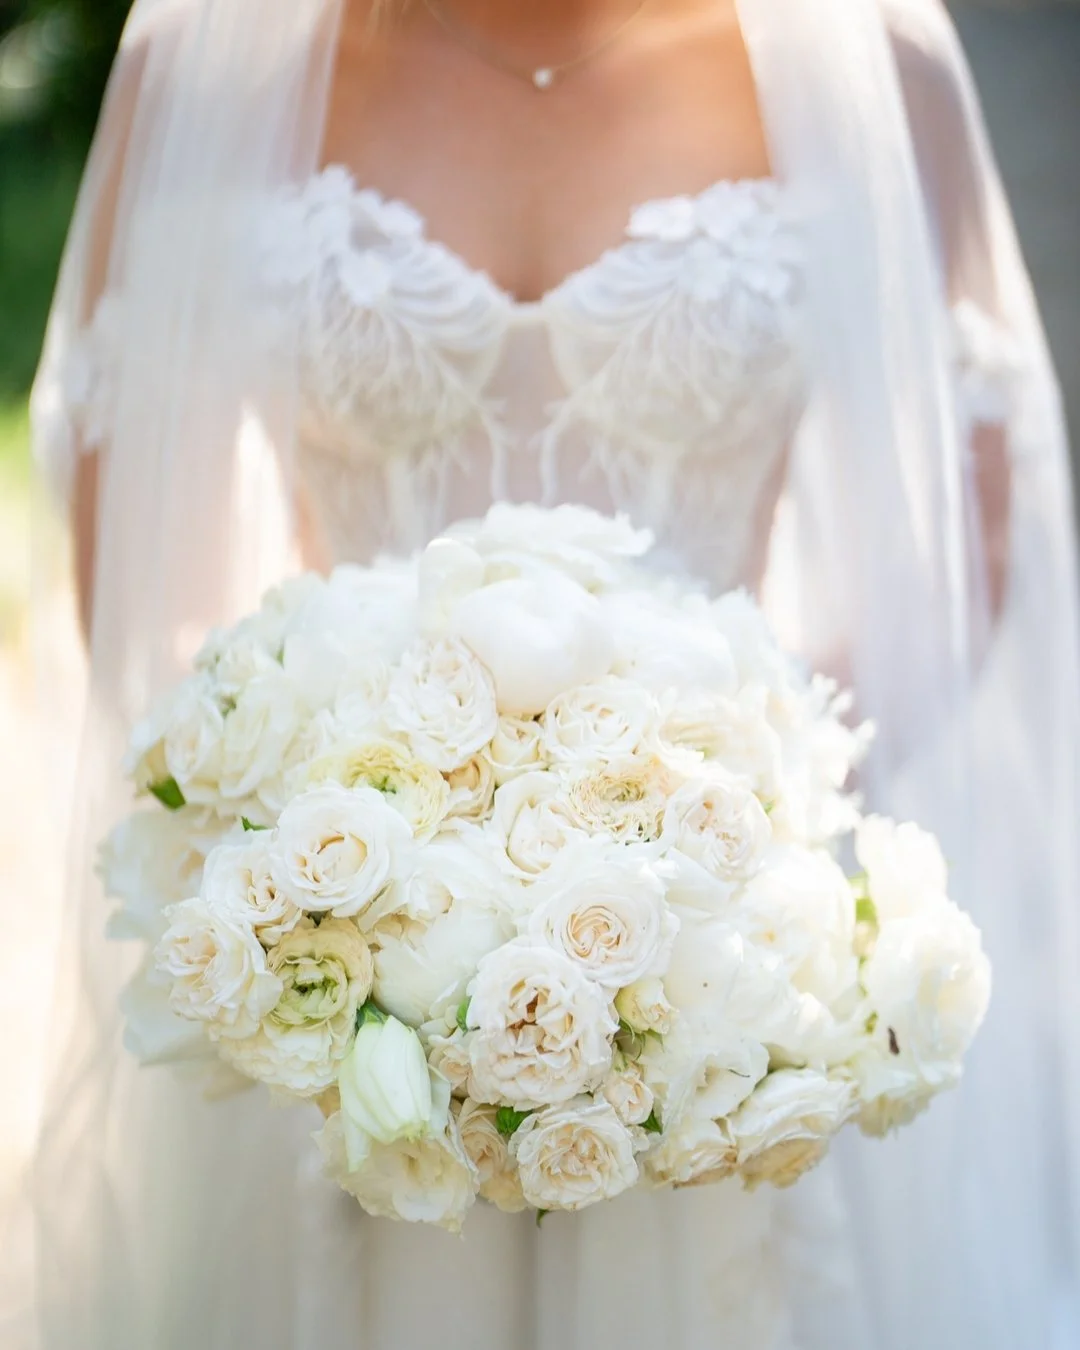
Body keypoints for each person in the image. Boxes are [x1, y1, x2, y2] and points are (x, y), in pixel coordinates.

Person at [11, 0, 1079, 1347]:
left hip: (720, 948)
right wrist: (325, 849)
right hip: (349, 947)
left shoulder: (872, 67)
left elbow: (957, 533)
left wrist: (732, 821)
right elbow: (143, 583)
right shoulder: (206, 71)